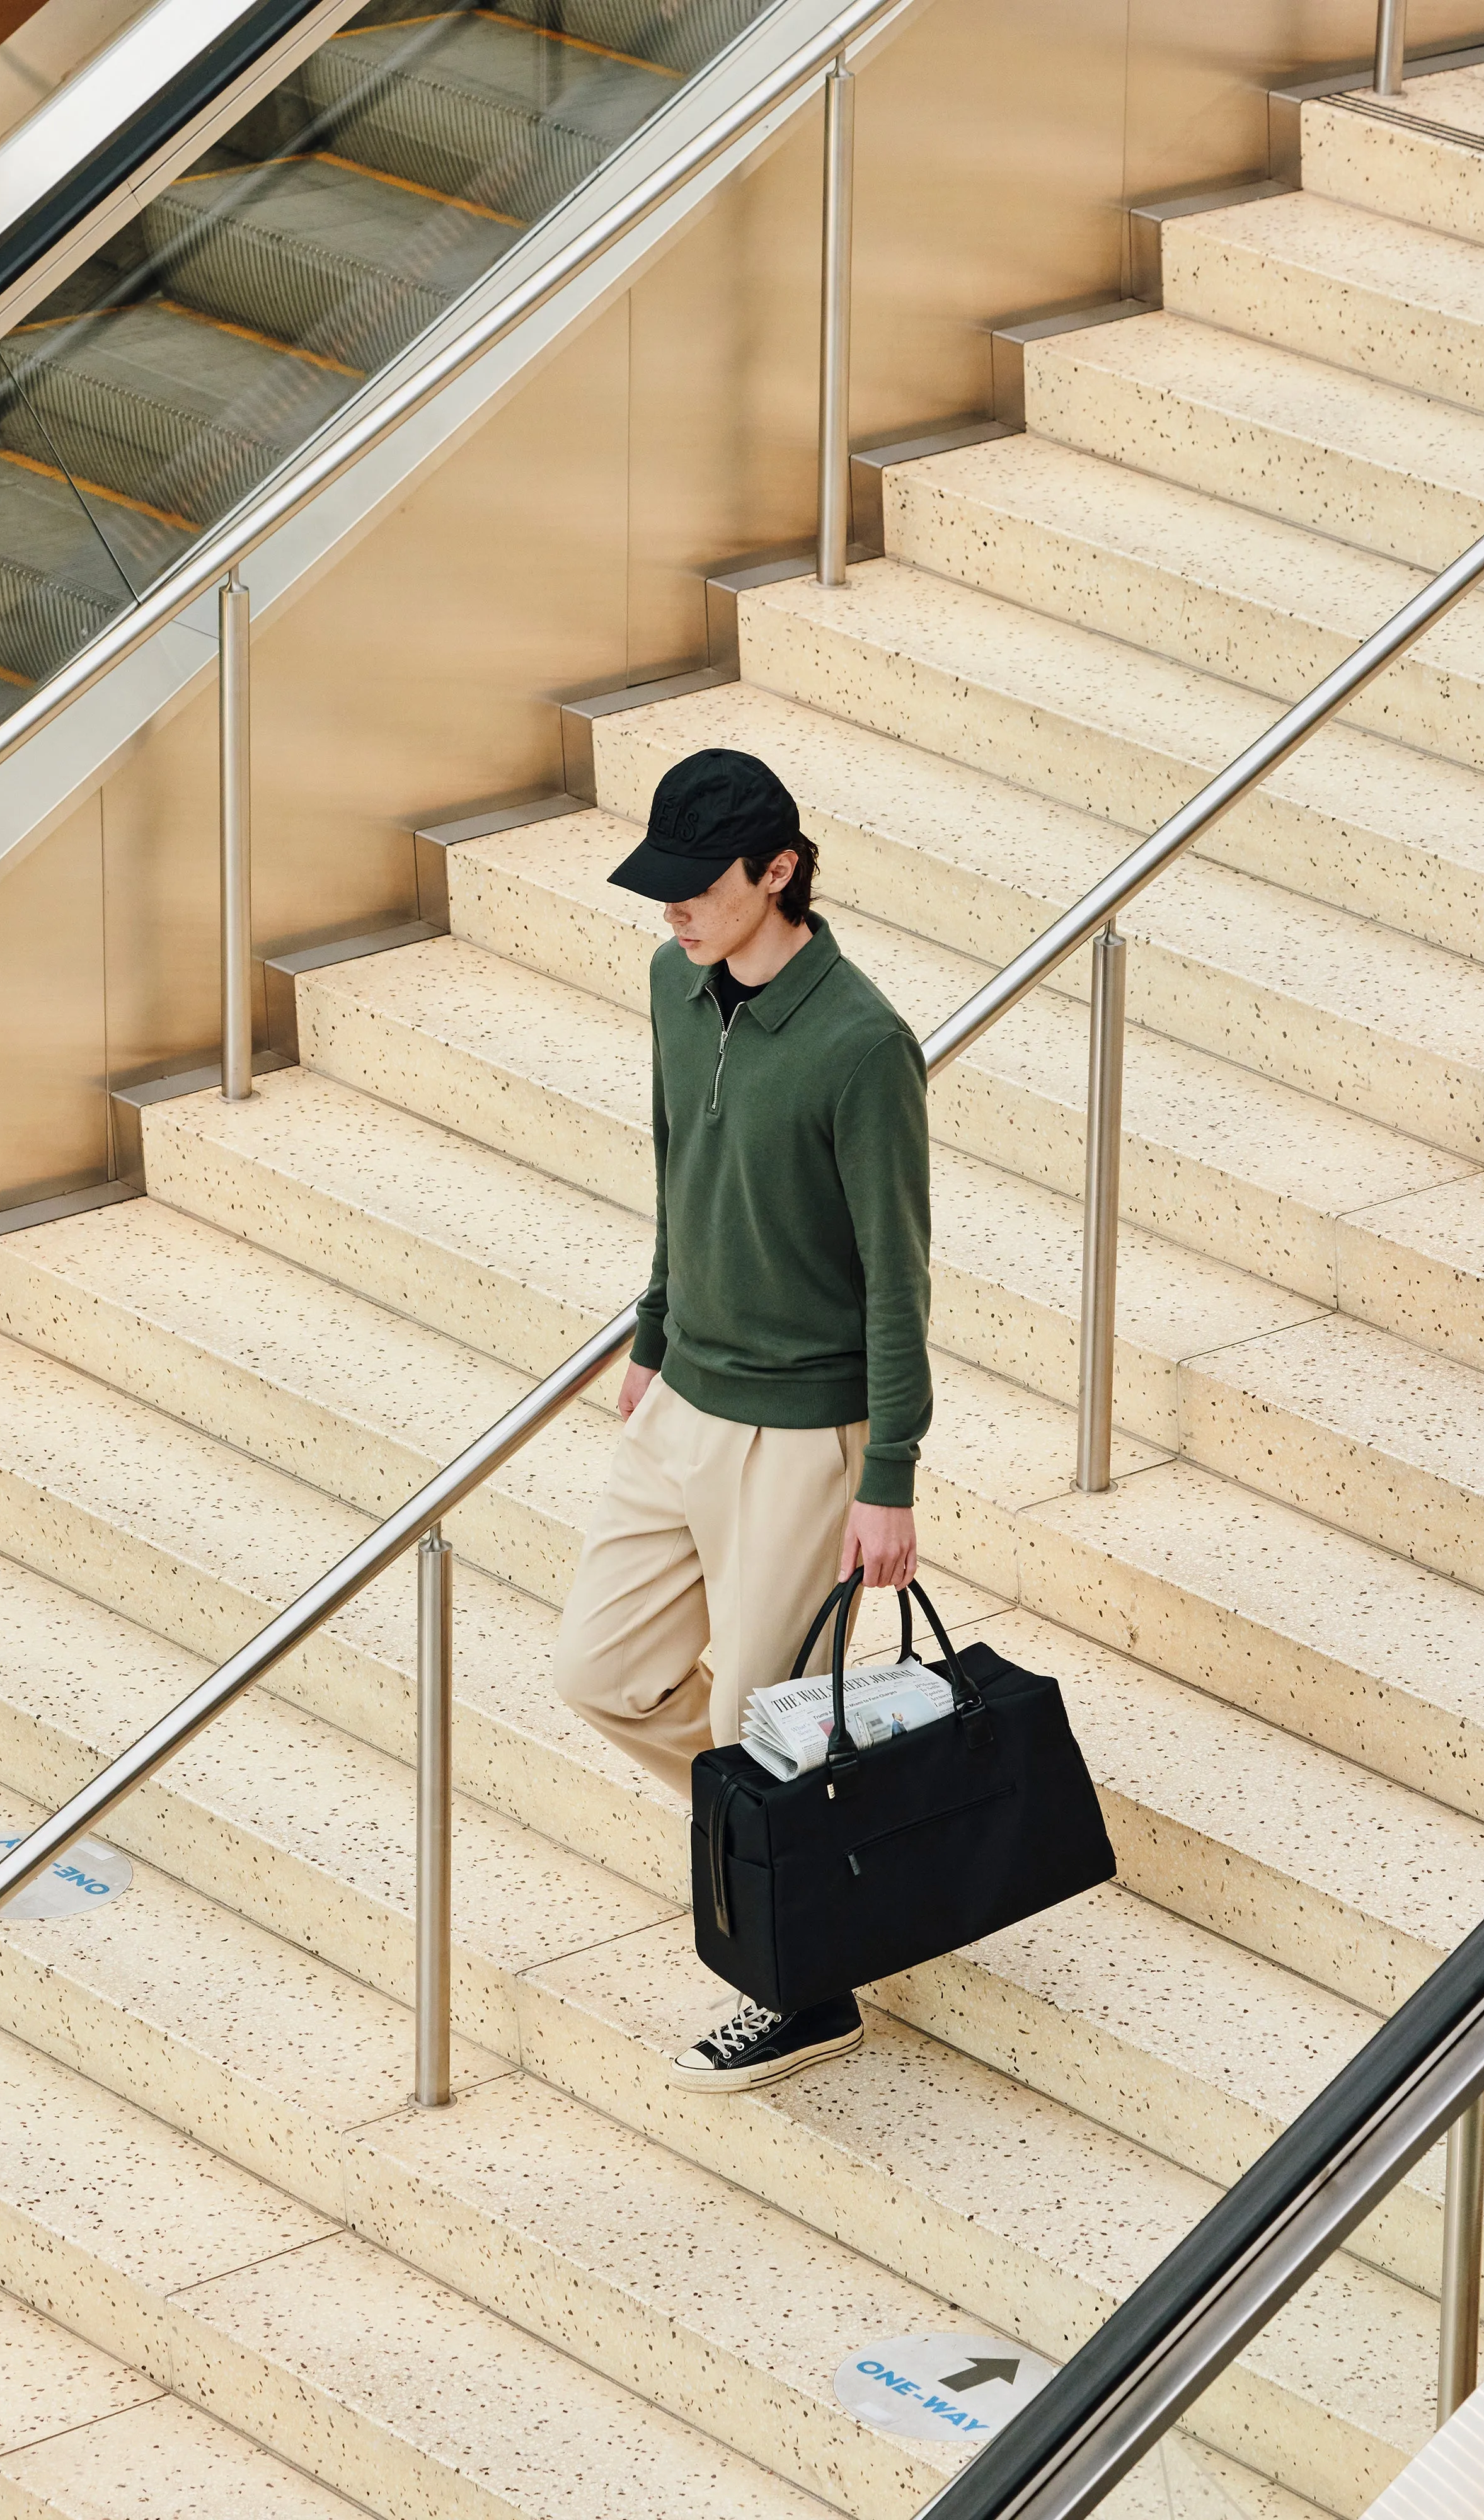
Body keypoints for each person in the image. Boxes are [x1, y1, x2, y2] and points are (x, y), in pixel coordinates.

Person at [554, 747, 933, 2093]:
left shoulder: (859, 1043)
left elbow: (899, 1273)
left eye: (697, 890)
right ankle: (785, 1848)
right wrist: (653, 1331)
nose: (673, 914)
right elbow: (677, 1166)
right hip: (684, 1397)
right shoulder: (674, 981)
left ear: (778, 872)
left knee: (760, 1727)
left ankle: (804, 1984)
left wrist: (886, 1472)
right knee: (603, 1675)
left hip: (802, 1435)